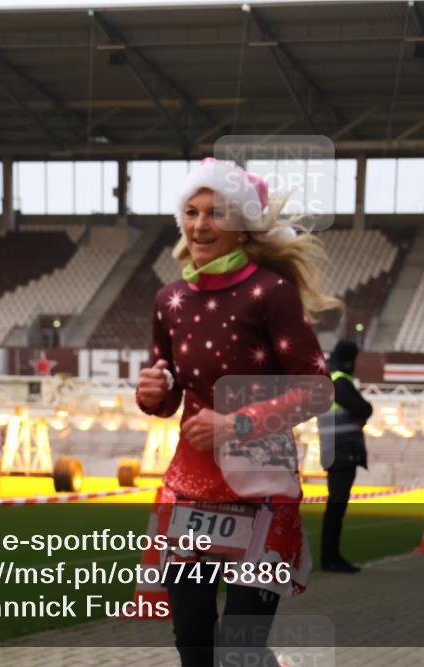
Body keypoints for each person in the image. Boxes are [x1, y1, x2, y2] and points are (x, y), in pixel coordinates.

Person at [135, 157, 341, 667]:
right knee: (195, 648)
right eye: (192, 211)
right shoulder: (170, 300)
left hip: (262, 490)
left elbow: (317, 390)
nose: (202, 224)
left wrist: (236, 424)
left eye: (216, 212)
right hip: (190, 492)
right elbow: (166, 397)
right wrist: (151, 392)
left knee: (240, 650)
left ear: (244, 228)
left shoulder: (270, 294)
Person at [319, 339, 372, 573]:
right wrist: (364, 410)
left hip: (336, 450)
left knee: (336, 505)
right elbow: (363, 408)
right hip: (342, 451)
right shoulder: (339, 380)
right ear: (351, 359)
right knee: (336, 506)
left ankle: (331, 556)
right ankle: (330, 558)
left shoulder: (330, 377)